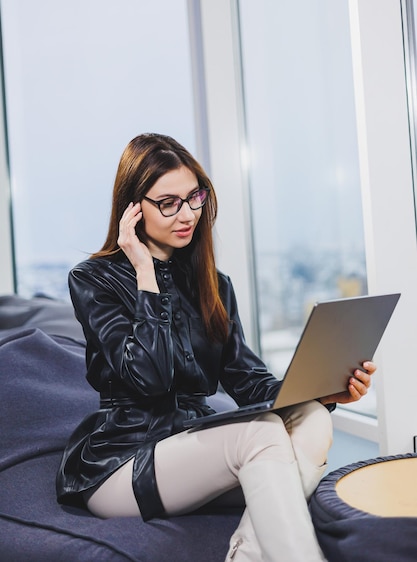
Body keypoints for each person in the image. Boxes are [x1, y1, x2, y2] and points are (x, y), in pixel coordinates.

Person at [56, 133, 376, 561]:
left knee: (314, 417)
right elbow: (149, 378)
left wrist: (320, 390)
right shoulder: (93, 279)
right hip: (122, 464)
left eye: (194, 197)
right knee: (259, 434)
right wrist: (145, 274)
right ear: (133, 209)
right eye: (167, 203)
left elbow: (248, 380)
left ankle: (247, 553)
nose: (186, 213)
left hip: (193, 453)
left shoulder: (214, 285)